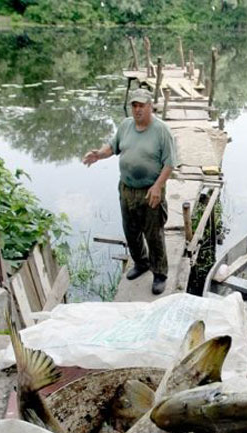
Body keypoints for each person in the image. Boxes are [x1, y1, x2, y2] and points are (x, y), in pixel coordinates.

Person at [82, 88, 176, 295]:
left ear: (150, 107)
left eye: (141, 105)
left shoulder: (161, 131)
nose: (137, 109)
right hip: (127, 188)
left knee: (153, 234)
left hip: (150, 190)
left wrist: (158, 186)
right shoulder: (126, 125)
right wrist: (99, 155)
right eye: (134, 105)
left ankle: (160, 273)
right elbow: (112, 146)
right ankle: (141, 263)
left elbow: (170, 163)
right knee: (131, 230)